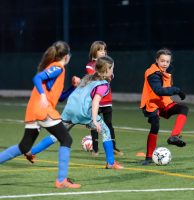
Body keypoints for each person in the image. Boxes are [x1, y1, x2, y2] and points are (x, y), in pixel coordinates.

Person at [0, 41, 81, 188]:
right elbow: (37, 78)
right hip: (43, 109)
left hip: (34, 109)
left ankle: (61, 179)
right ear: (67, 56)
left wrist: (73, 87)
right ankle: (61, 180)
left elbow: (61, 97)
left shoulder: (55, 68)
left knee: (24, 147)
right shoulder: (58, 67)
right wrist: (43, 96)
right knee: (66, 139)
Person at [26, 55, 123, 169]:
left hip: (69, 111)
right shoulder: (103, 85)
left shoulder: (88, 78)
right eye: (112, 69)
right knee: (106, 131)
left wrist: (76, 80)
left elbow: (80, 88)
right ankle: (111, 163)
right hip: (83, 113)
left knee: (56, 135)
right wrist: (95, 121)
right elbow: (96, 102)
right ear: (106, 70)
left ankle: (31, 152)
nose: (113, 71)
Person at [140, 48, 189, 165]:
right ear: (156, 60)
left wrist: (175, 91)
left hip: (163, 102)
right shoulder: (152, 74)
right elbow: (159, 90)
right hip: (151, 103)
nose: (165, 64)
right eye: (162, 61)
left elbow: (167, 79)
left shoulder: (167, 69)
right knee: (155, 125)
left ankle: (174, 136)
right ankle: (148, 157)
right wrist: (177, 90)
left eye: (167, 61)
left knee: (184, 109)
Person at [85, 41, 123, 156]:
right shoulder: (90, 65)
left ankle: (113, 147)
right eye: (100, 50)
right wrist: (106, 74)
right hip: (95, 100)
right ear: (94, 52)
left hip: (107, 100)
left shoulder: (108, 64)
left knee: (109, 124)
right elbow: (96, 77)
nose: (103, 52)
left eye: (104, 50)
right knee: (94, 124)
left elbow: (110, 76)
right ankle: (95, 149)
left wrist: (109, 73)